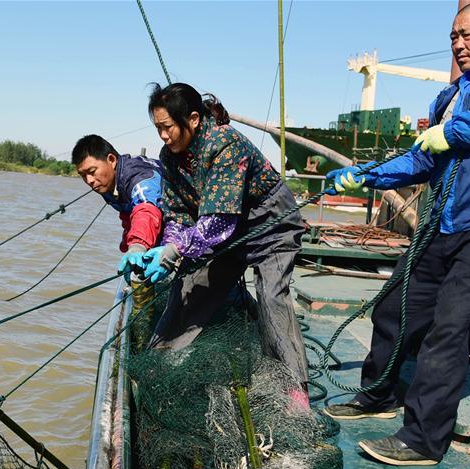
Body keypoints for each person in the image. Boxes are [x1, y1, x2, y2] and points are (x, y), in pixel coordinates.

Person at [323, 1, 470, 466]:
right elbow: (422, 158)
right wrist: (365, 176)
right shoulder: (450, 96)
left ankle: (422, 441)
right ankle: (377, 395)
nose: (458, 44)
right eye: (453, 36)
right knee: (395, 306)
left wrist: (454, 131)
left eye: (467, 35)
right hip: (444, 223)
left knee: (448, 327)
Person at [141, 82, 310, 394]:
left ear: (192, 119)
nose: (163, 136)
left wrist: (178, 247)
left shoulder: (224, 142)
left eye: (167, 127)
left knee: (272, 297)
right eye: (158, 129)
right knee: (190, 285)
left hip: (270, 223)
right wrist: (170, 244)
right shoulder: (169, 157)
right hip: (225, 230)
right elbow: (177, 211)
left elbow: (218, 221)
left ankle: (294, 388)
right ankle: (158, 360)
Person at [71, 135, 164, 278]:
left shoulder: (137, 177)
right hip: (154, 224)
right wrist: (128, 247)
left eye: (92, 171)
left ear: (112, 160)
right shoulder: (105, 184)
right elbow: (128, 214)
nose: (89, 180)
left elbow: (146, 211)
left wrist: (137, 246)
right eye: (83, 175)